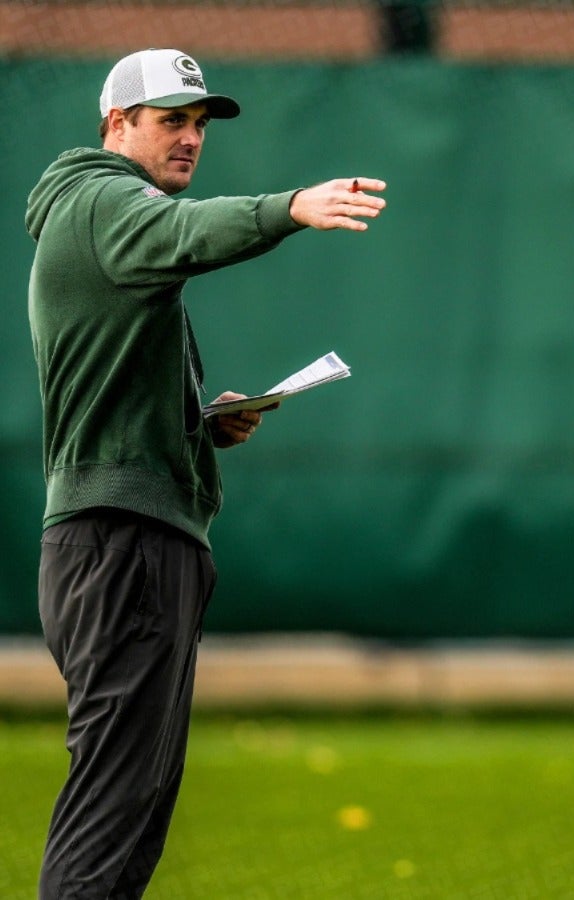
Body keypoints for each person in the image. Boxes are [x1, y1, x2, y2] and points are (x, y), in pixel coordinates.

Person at [25, 48, 386, 899]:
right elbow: (181, 234)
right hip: (122, 543)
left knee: (131, 801)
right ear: (117, 123)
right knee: (112, 806)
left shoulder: (97, 212)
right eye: (170, 120)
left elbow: (109, 393)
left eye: (198, 124)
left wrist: (196, 424)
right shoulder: (103, 199)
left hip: (125, 536)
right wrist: (290, 206)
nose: (190, 138)